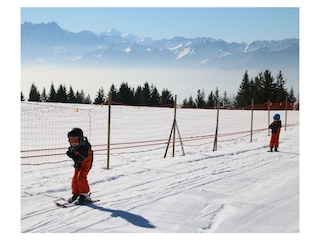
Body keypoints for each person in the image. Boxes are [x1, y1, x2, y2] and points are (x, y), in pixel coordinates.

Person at [66, 128, 93, 204]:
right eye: (71, 141)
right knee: (75, 178)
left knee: (81, 177)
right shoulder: (74, 146)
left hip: (85, 165)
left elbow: (80, 159)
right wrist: (70, 153)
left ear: (80, 139)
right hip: (78, 164)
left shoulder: (84, 148)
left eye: (75, 140)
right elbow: (71, 151)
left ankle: (84, 195)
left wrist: (72, 156)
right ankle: (76, 194)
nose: (73, 143)